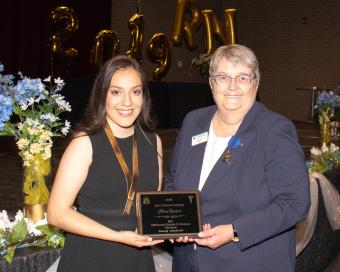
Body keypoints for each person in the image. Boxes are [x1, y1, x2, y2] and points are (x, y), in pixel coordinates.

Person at [165, 44, 311, 272]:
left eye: (243, 77)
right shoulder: (194, 122)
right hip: (188, 262)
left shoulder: (274, 130)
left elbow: (295, 203)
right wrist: (177, 221)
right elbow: (173, 179)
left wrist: (235, 231)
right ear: (212, 83)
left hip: (247, 262)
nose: (232, 86)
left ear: (256, 82)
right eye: (223, 77)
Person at [47, 55, 163, 271]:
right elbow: (56, 213)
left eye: (135, 91)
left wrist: (178, 227)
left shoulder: (152, 140)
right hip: (91, 256)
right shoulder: (84, 143)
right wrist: (117, 236)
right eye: (116, 92)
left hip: (137, 259)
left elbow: (151, 207)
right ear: (102, 96)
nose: (127, 102)